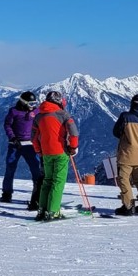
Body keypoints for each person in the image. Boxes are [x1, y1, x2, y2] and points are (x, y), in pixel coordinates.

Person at [30, 91, 79, 221]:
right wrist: (72, 148)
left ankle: (42, 210)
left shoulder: (38, 116)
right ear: (59, 101)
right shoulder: (63, 115)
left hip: (46, 153)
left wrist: (39, 151)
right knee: (58, 182)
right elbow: (74, 133)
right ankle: (53, 211)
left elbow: (34, 137)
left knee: (47, 181)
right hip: (61, 152)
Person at [0, 91, 44, 210]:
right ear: (23, 102)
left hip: (30, 145)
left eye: (34, 103)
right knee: (10, 168)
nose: (33, 105)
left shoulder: (36, 111)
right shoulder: (14, 111)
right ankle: (6, 193)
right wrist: (13, 138)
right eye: (30, 103)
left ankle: (37, 196)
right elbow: (7, 125)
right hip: (15, 144)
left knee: (36, 170)